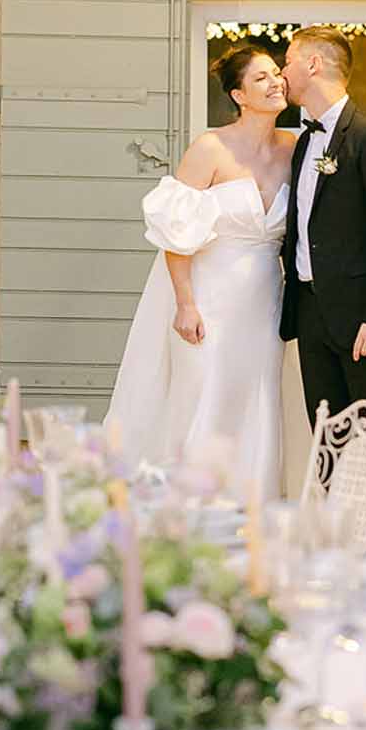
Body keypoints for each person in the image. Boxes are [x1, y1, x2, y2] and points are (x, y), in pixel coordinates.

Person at [106, 44, 296, 497]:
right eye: (261, 78)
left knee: (257, 394)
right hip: (208, 297)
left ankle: (252, 507)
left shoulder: (295, 147)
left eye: (276, 74)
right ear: (238, 94)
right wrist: (185, 304)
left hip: (265, 298)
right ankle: (187, 508)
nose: (275, 83)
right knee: (204, 391)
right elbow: (176, 232)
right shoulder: (210, 148)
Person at [280, 25, 366, 424]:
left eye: (288, 61)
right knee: (327, 441)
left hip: (364, 321)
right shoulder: (305, 142)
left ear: (313, 64)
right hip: (311, 316)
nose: (282, 72)